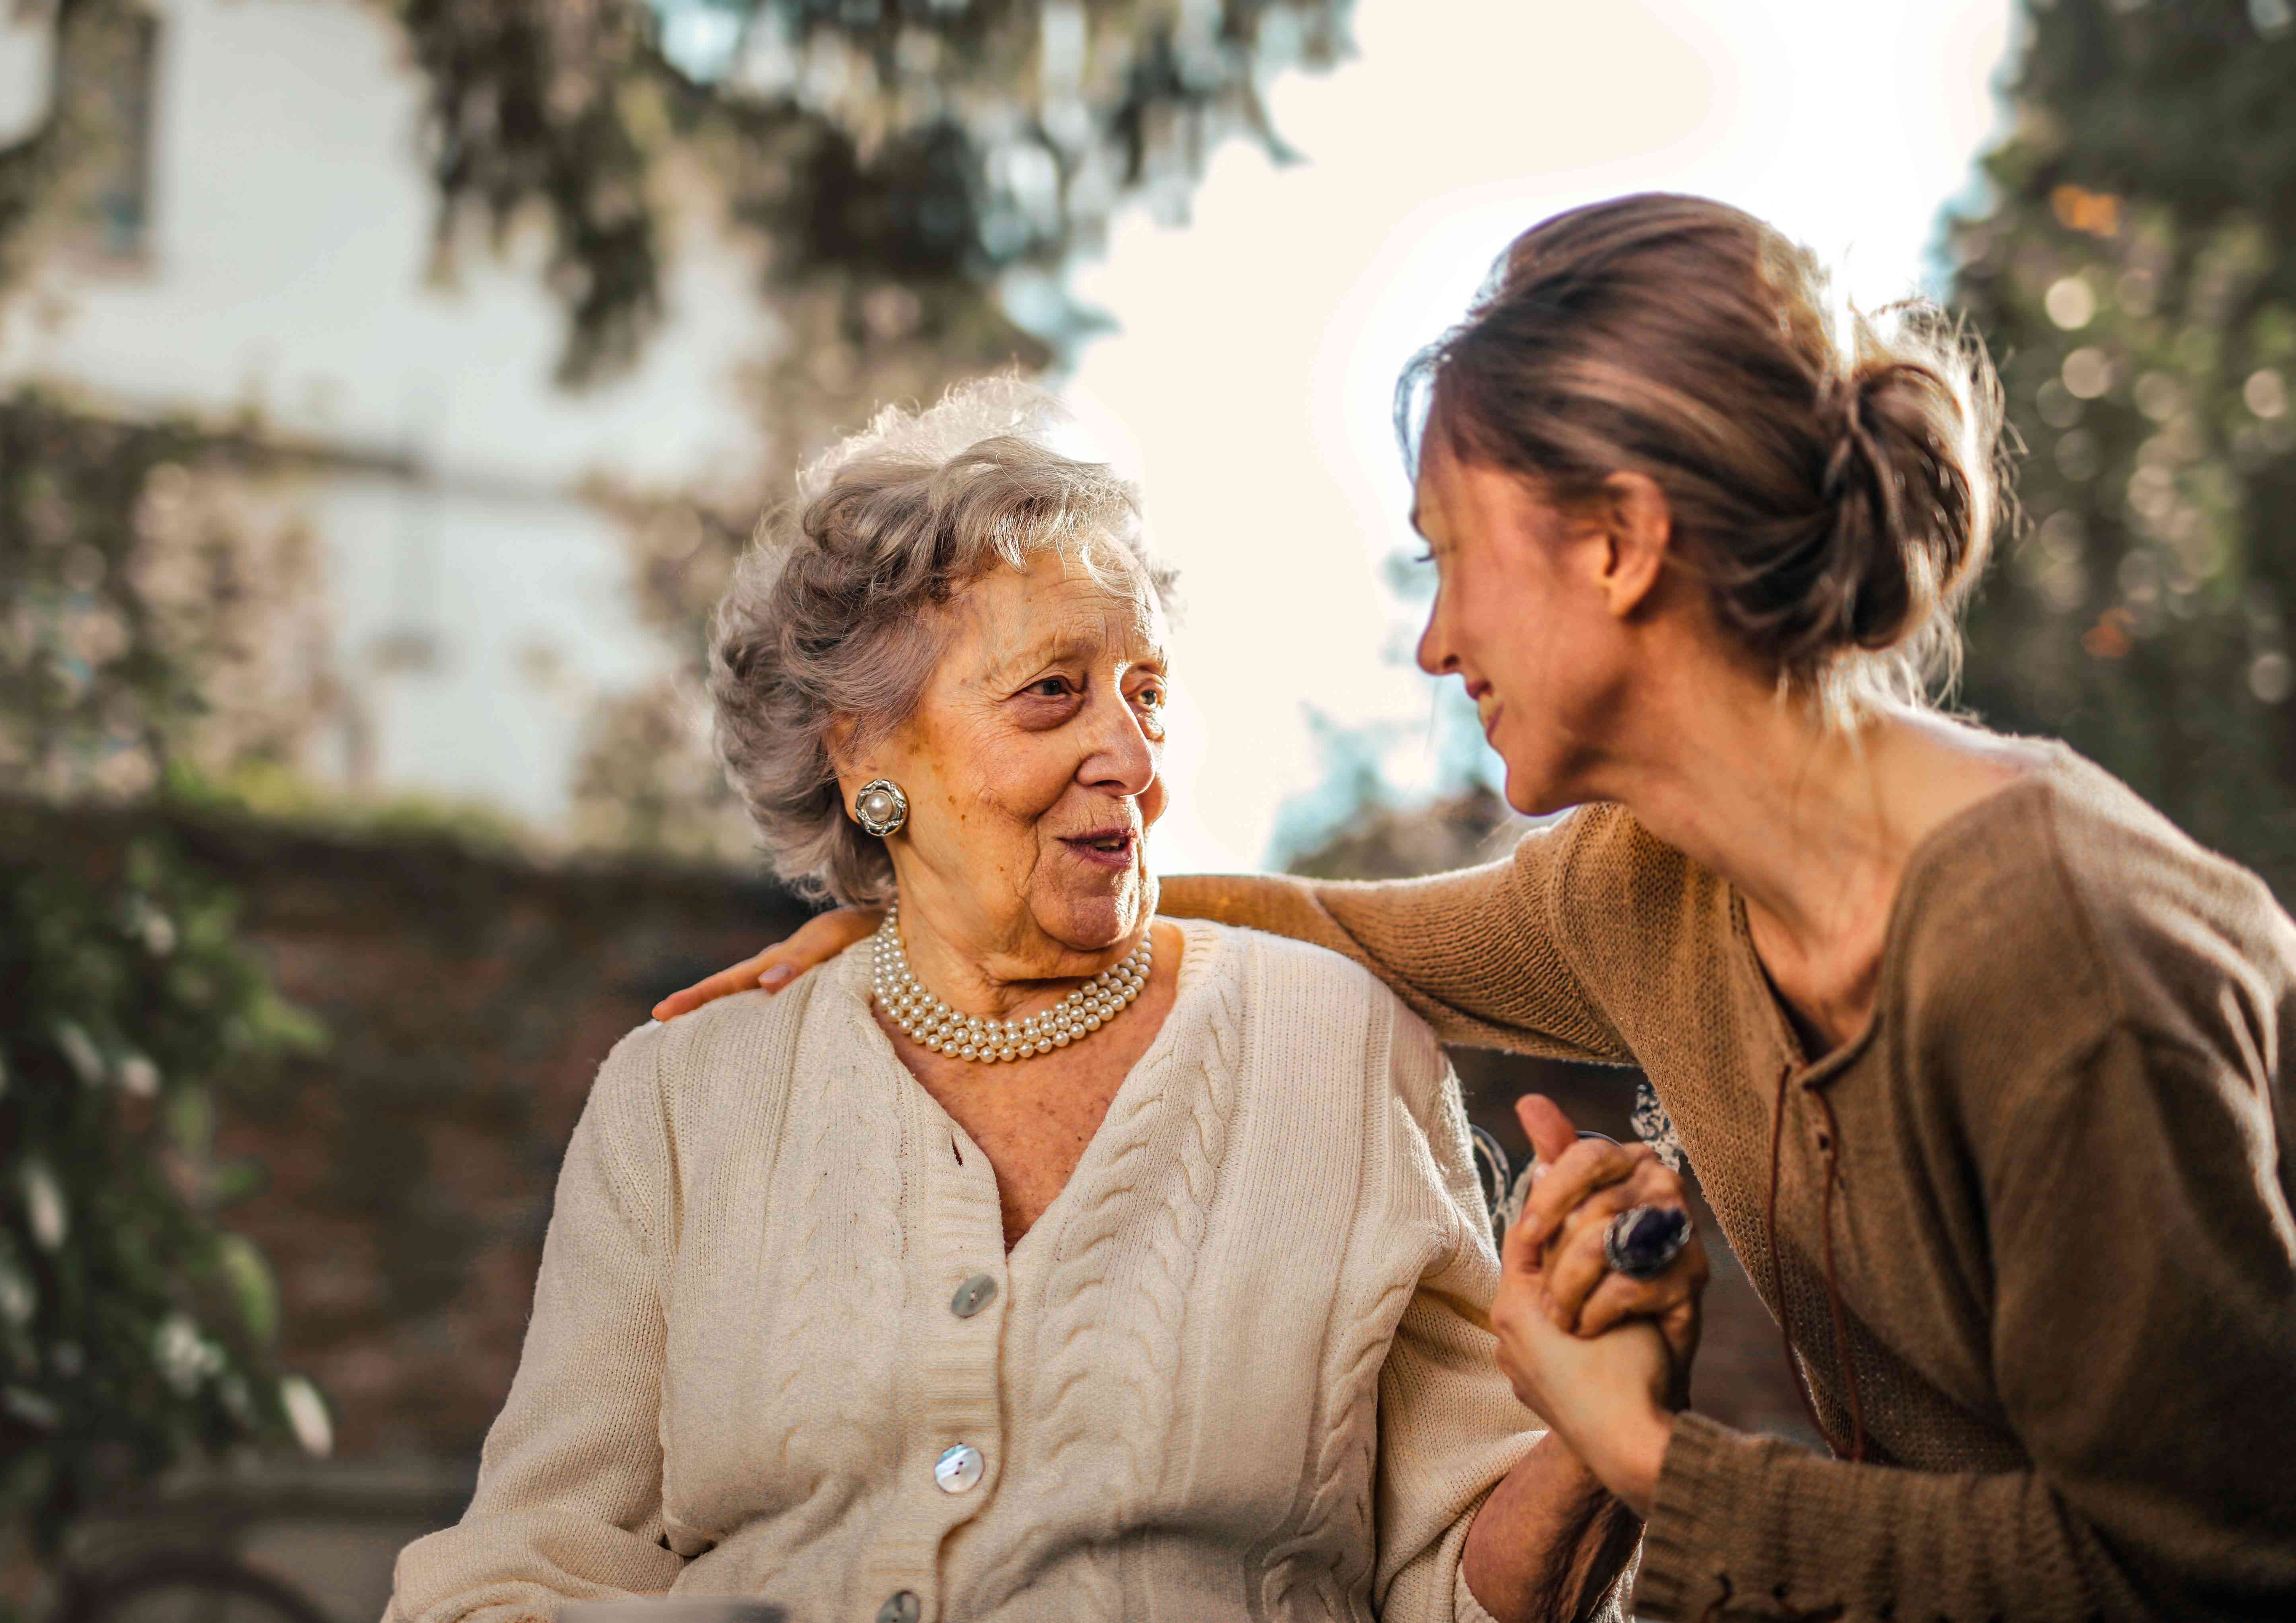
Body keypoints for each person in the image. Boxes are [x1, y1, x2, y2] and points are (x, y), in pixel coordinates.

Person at [654, 197, 2296, 1621]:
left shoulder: (2053, 950)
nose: (1436, 645)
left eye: (1451, 558)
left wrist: (1643, 1453)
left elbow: (2196, 1572)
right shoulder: (1651, 889)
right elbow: (1338, 930)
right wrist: (942, 919)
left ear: (1619, 544)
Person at [388, 381, 1685, 1623]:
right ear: (865, 753)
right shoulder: (685, 1094)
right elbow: (526, 1560)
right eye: (1053, 692)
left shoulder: (1335, 1047)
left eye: (1149, 695)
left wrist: (1592, 1436)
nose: (1130, 760)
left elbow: (1460, 1586)